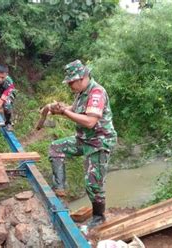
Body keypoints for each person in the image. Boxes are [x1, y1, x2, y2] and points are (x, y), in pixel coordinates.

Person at [48, 60, 117, 229]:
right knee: (56, 147)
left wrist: (65, 112)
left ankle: (99, 217)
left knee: (93, 183)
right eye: (69, 82)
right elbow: (75, 109)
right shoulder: (81, 93)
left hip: (99, 142)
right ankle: (60, 190)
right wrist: (61, 109)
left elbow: (90, 122)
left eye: (72, 82)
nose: (70, 85)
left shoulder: (96, 93)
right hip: (84, 139)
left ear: (83, 77)